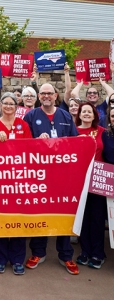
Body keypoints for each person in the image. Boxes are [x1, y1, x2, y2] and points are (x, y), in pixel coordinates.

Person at [23, 83, 80, 275]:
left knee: (64, 212)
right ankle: (38, 252)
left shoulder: (65, 116)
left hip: (63, 174)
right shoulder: (31, 116)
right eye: (43, 93)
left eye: (50, 93)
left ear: (55, 95)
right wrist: (36, 143)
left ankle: (66, 255)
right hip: (39, 175)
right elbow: (22, 144)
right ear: (39, 96)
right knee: (41, 211)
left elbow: (75, 142)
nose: (46, 96)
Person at [0, 92, 32, 275]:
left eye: (12, 103)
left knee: (19, 220)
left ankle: (18, 259)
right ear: (0, 106)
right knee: (0, 219)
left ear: (16, 106)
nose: (9, 106)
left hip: (19, 179)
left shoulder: (24, 125)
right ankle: (0, 258)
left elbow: (30, 148)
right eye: (5, 103)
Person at [75, 102, 106, 269]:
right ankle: (85, 252)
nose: (86, 114)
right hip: (79, 181)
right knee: (83, 218)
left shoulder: (103, 132)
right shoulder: (73, 132)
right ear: (79, 115)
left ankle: (98, 253)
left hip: (98, 180)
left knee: (97, 219)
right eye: (83, 111)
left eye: (89, 111)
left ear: (95, 115)